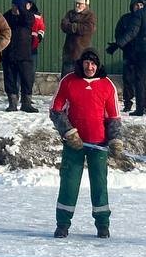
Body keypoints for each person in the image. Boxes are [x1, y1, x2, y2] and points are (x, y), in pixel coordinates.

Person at [49, 48, 123, 238]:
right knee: (69, 183)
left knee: (99, 185)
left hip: (98, 145)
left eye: (93, 63)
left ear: (98, 65)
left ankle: (102, 225)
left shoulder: (107, 85)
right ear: (81, 64)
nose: (90, 67)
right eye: (86, 63)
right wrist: (68, 132)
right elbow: (55, 110)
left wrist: (114, 140)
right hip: (74, 145)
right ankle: (63, 224)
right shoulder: (69, 81)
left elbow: (113, 117)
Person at [107, 0, 146, 113]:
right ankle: (127, 103)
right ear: (132, 6)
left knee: (143, 80)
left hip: (143, 54)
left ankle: (144, 104)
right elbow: (118, 33)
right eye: (136, 5)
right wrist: (123, 45)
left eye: (141, 5)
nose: (138, 7)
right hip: (129, 53)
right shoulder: (125, 19)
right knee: (128, 79)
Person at [3, 0, 38, 112]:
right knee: (10, 80)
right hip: (9, 54)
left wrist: (21, 8)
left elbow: (28, 21)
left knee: (27, 79)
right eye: (13, 5)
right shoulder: (6, 16)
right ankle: (12, 103)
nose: (15, 8)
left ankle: (26, 103)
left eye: (17, 6)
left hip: (25, 55)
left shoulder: (28, 17)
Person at [59, 0, 97, 76]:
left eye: (80, 3)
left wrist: (73, 26)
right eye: (76, 3)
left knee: (80, 78)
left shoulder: (90, 15)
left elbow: (89, 28)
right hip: (69, 52)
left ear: (85, 5)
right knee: (66, 78)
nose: (77, 5)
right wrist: (77, 27)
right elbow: (63, 25)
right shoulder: (70, 13)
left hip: (82, 52)